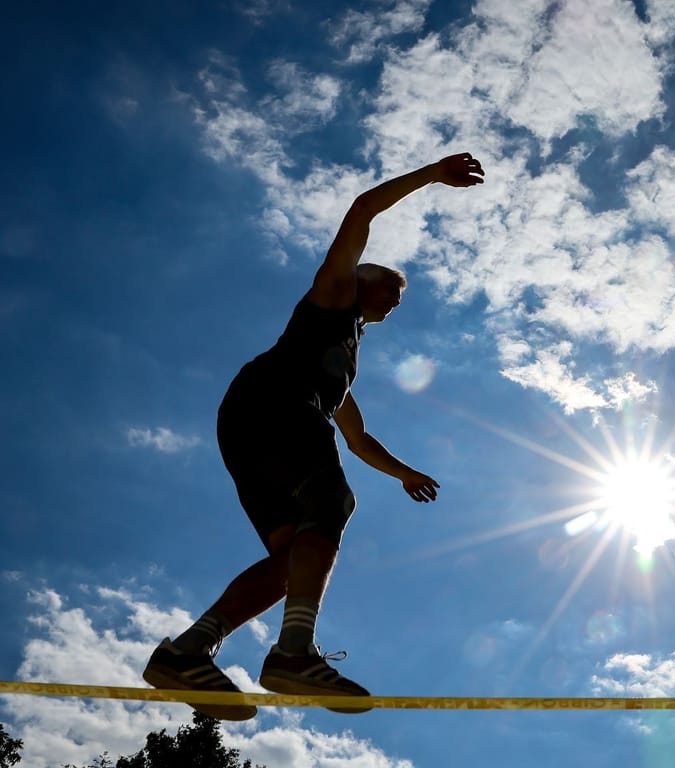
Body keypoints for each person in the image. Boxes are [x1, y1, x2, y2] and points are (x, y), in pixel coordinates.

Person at [142, 153, 485, 720]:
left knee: (291, 561)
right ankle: (294, 653)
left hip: (258, 428)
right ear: (360, 281)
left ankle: (186, 652)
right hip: (272, 407)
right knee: (332, 501)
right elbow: (361, 211)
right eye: (389, 292)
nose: (393, 305)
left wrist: (407, 475)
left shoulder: (338, 366)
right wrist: (430, 176)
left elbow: (358, 437)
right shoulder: (331, 295)